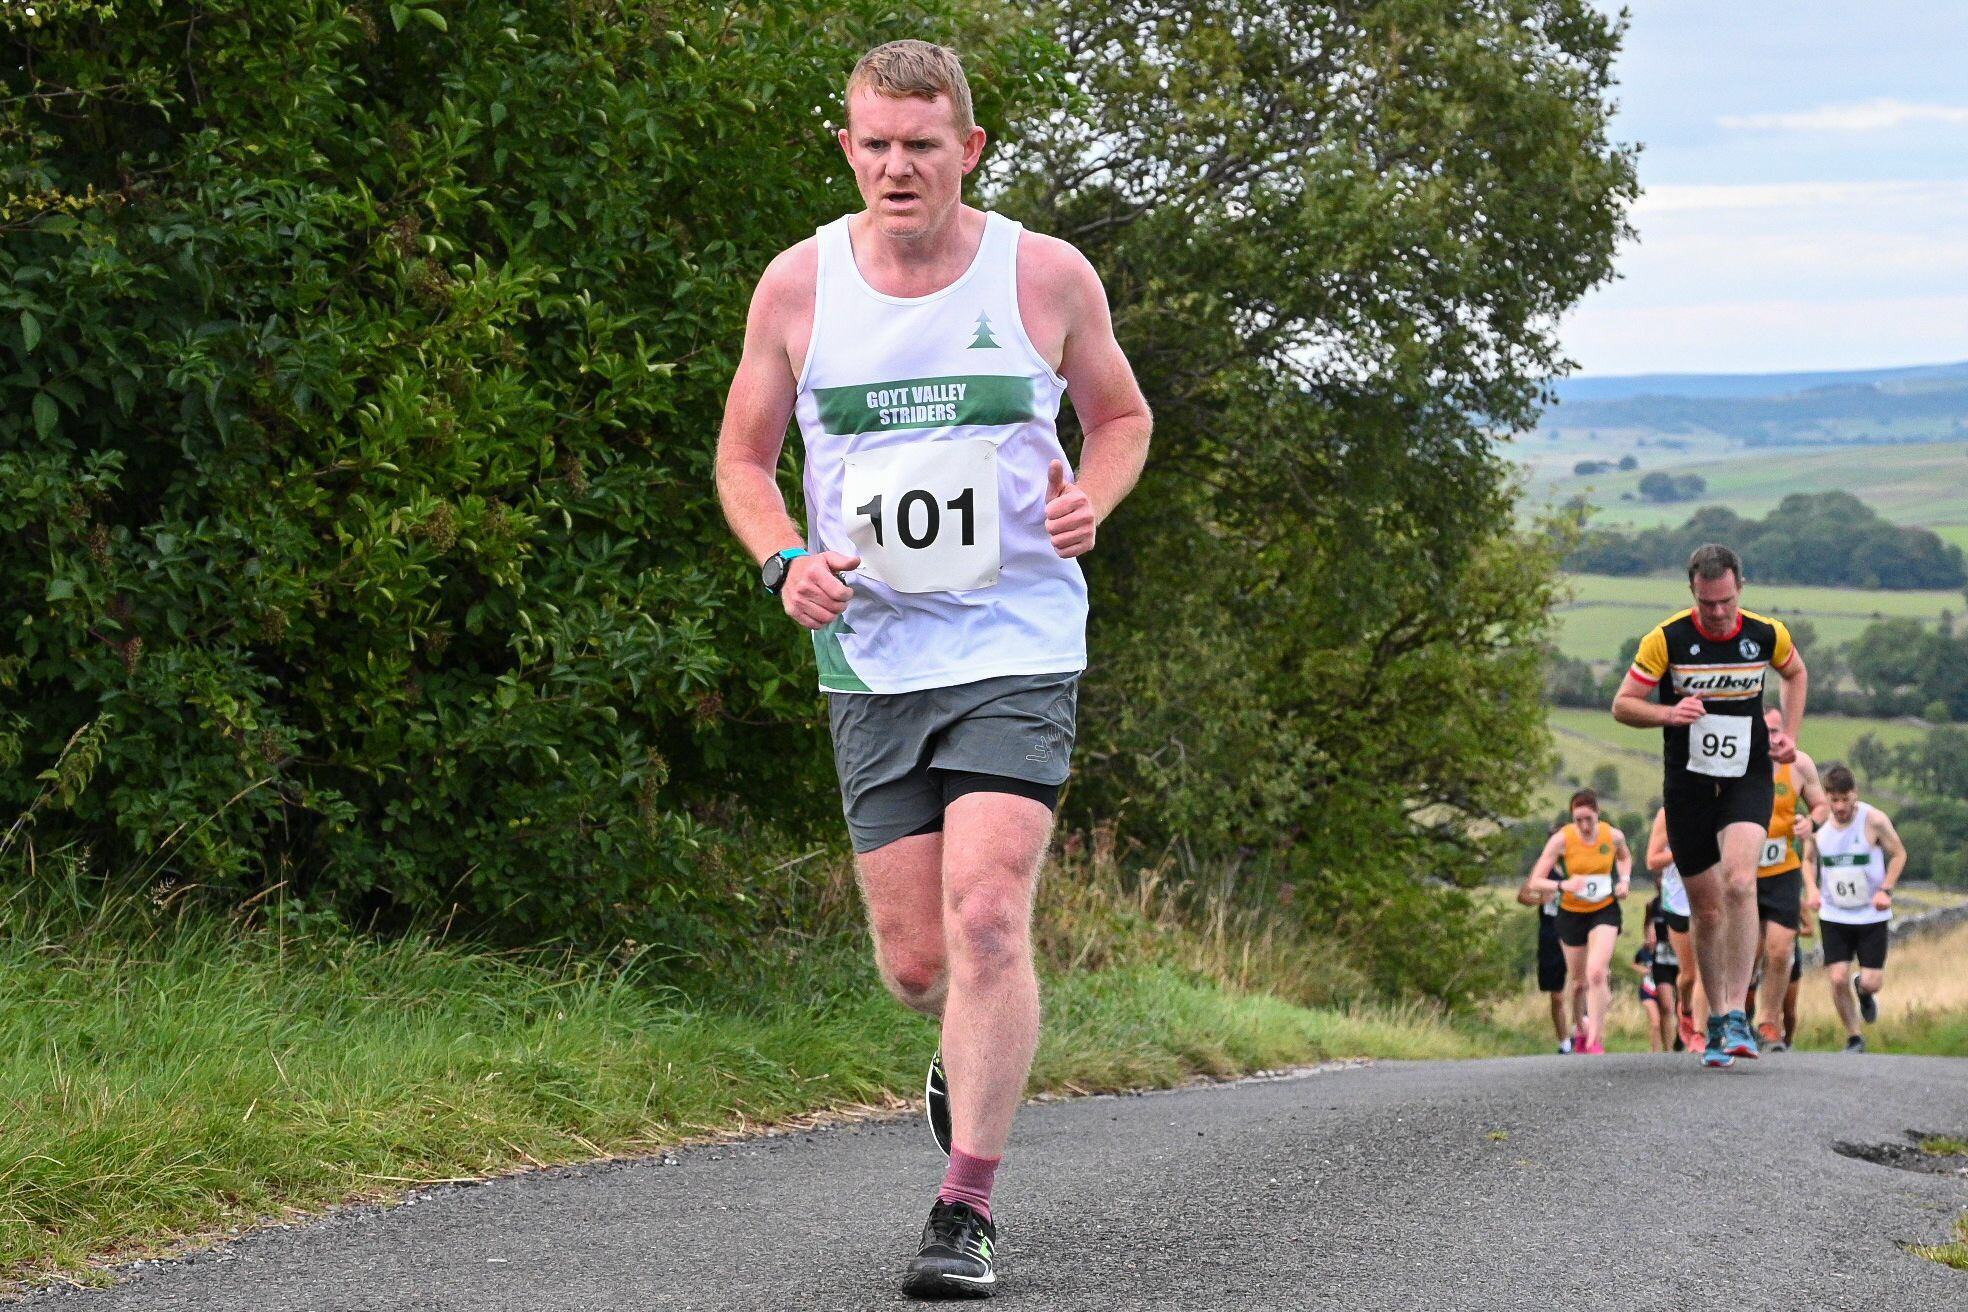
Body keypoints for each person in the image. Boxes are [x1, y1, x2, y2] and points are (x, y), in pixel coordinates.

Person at [714, 39, 1152, 1298]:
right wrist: (782, 558)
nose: (898, 166)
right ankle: (966, 1048)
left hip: (1017, 640)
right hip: (872, 656)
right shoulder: (798, 286)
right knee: (918, 964)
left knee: (989, 915)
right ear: (847, 148)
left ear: (970, 147)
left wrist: (1092, 499)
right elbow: (743, 460)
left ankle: (965, 1208)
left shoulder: (1045, 275)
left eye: (923, 143)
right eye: (876, 144)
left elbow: (1121, 417)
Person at [1611, 543, 1807, 1068]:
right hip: (1689, 784)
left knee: (1741, 882)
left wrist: (1789, 735)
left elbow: (1795, 673)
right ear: (1692, 593)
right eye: (1706, 603)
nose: (1717, 613)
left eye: (1725, 601)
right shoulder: (1666, 639)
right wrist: (1669, 714)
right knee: (1708, 907)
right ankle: (1717, 1018)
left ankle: (1738, 1015)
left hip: (1747, 775)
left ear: (1740, 587)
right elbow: (1623, 705)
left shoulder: (1767, 634)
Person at [1524, 789, 1632, 1055]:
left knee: (1597, 972)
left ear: (1598, 814)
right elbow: (1535, 881)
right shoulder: (1562, 840)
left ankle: (1595, 1037)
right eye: (1578, 820)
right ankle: (1581, 1031)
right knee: (1579, 982)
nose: (1584, 826)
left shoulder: (1613, 835)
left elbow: (1624, 857)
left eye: (1589, 819)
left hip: (1604, 909)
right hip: (1571, 913)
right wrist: (1564, 885)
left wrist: (1624, 881)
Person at [1811, 764, 1907, 1053]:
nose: (1840, 807)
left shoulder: (1873, 820)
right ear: (1827, 797)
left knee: (1872, 982)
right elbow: (1808, 859)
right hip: (1834, 914)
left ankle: (1864, 991)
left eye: (1846, 799)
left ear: (1855, 793)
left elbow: (1899, 854)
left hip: (1870, 914)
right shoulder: (1819, 823)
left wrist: (1885, 890)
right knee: (1836, 977)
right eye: (1834, 800)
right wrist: (1812, 889)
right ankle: (1855, 1037)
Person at [1748, 708, 1828, 1050]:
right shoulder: (1738, 763)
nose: (1773, 739)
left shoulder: (1799, 764)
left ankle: (1769, 1023)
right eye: (1766, 731)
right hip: (1744, 874)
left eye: (1778, 730)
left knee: (1780, 951)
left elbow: (1821, 806)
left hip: (1783, 870)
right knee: (1748, 954)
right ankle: (1739, 1014)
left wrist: (1810, 823)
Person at [1645, 807, 1702, 1051]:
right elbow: (1652, 860)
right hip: (1678, 902)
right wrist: (1681, 851)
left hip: (1707, 898)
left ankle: (1701, 1032)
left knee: (1706, 972)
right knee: (1689, 976)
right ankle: (1686, 1010)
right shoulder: (1668, 813)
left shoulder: (1718, 804)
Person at [1517, 828, 1576, 1052]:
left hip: (1575, 931)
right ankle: (1564, 1042)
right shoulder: (1543, 869)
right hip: (1551, 933)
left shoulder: (1578, 866)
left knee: (1583, 983)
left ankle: (1581, 1030)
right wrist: (1541, 900)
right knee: (1557, 994)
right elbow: (1523, 896)